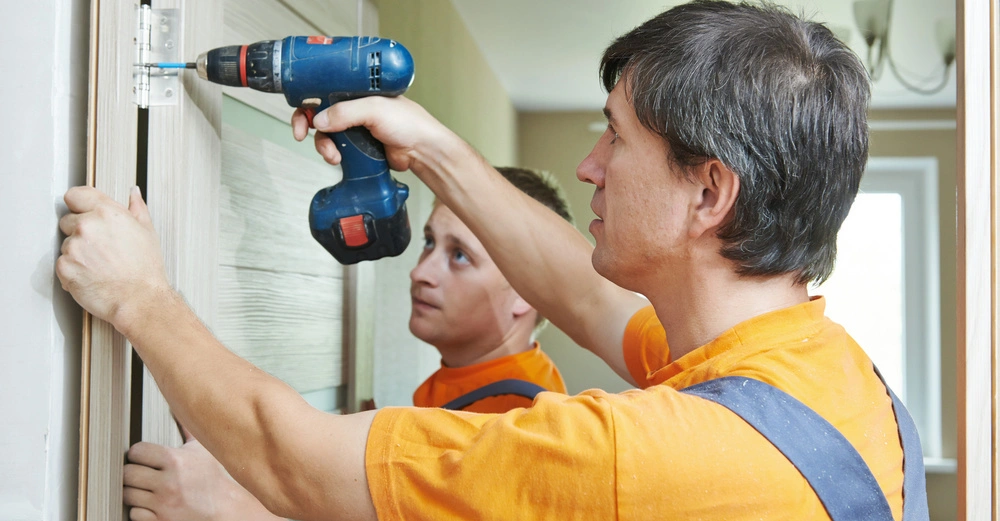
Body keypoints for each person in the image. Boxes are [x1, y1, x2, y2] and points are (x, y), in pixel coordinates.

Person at [57, 1, 928, 520]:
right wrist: (431, 149)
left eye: (616, 139)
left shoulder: (645, 456)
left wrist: (141, 296)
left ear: (709, 194)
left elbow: (298, 462)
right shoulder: (821, 380)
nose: (588, 165)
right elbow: (583, 298)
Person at [120, 167, 573, 521]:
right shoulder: (464, 383)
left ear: (524, 291)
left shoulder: (520, 415)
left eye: (459, 256)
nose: (421, 273)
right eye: (429, 243)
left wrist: (230, 507)